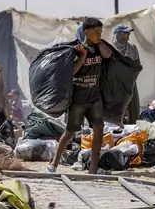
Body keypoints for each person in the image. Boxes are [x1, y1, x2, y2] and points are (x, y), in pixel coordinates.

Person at [47, 17, 112, 174]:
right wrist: (82, 56)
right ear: (86, 32)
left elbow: (108, 55)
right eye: (96, 31)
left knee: (99, 129)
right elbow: (71, 72)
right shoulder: (76, 49)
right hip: (79, 97)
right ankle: (54, 163)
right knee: (70, 131)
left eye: (100, 31)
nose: (99, 34)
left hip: (94, 96)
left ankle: (93, 168)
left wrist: (99, 41)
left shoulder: (99, 47)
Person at [112, 24, 141, 124]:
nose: (128, 35)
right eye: (125, 33)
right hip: (115, 85)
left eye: (128, 33)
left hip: (130, 83)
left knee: (133, 109)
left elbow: (138, 66)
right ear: (118, 35)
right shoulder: (110, 50)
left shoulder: (132, 48)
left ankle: (134, 129)